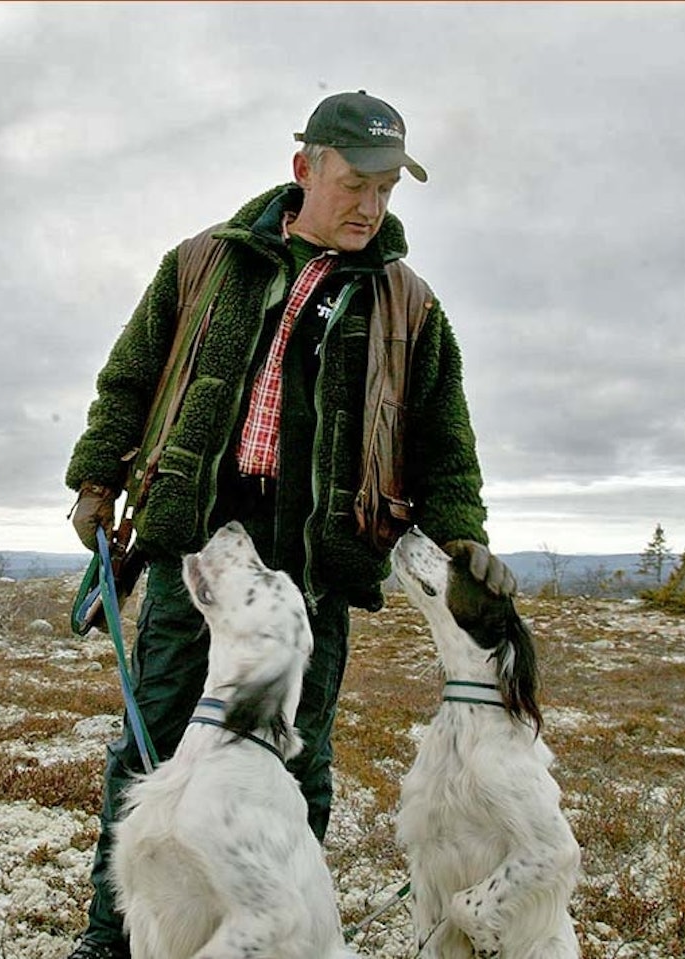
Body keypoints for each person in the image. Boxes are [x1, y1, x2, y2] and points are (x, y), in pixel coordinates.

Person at [61, 90, 517, 959]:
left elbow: (443, 442)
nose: (371, 207)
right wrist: (93, 478)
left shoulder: (409, 304)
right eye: (355, 183)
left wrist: (462, 537)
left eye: (387, 190)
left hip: (318, 558)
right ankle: (112, 935)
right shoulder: (202, 263)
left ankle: (282, 939)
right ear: (305, 167)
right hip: (203, 545)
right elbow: (127, 380)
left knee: (293, 761)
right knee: (152, 745)